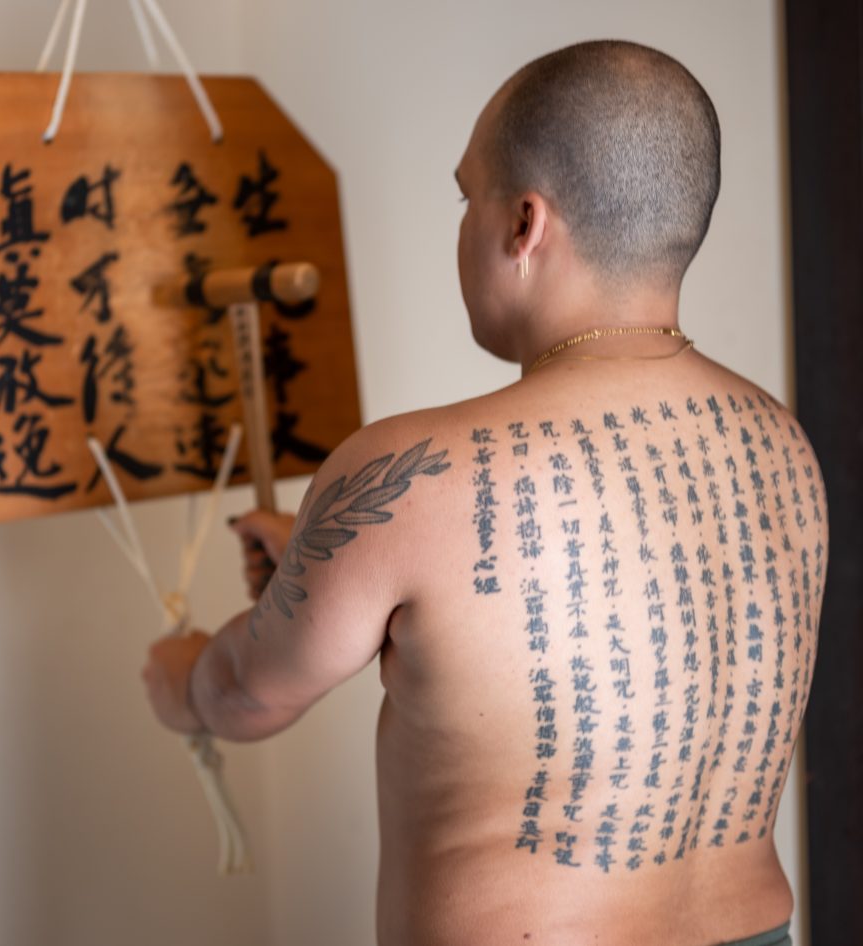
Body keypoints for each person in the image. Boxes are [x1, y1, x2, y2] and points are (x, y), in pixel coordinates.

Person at [141, 39, 826, 946]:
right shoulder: (782, 443)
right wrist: (318, 560)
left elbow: (246, 692)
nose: (462, 222)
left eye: (468, 196)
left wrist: (178, 675)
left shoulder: (408, 471)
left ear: (523, 225)